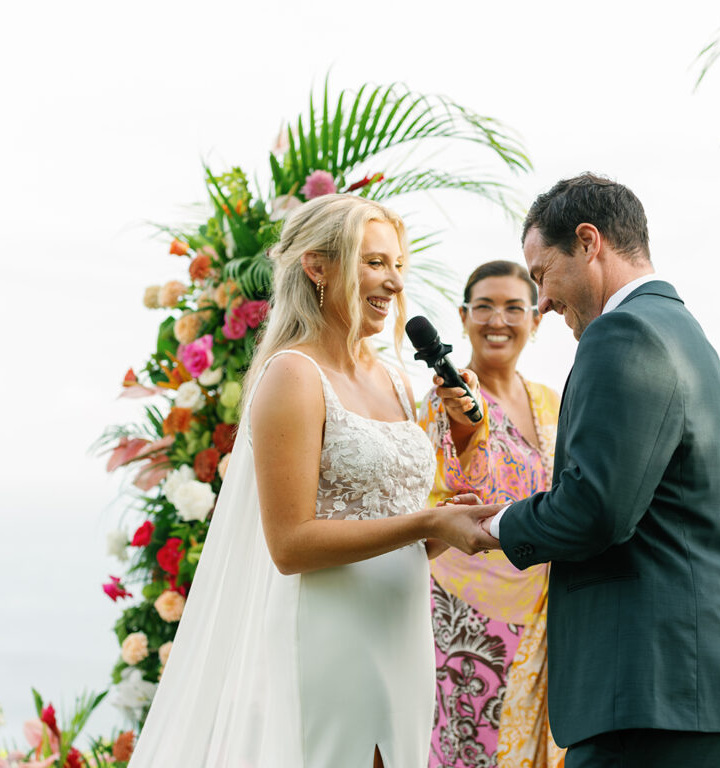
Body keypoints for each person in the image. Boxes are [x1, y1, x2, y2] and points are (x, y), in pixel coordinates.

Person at [128, 194, 492, 768]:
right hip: (329, 631)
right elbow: (290, 544)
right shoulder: (294, 376)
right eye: (374, 262)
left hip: (402, 631)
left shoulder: (396, 380)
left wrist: (444, 527)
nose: (393, 282)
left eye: (398, 264)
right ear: (317, 266)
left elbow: (393, 524)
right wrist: (428, 518)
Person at [447, 174, 720, 767]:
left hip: (648, 692)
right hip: (689, 689)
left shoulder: (620, 333)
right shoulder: (682, 330)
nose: (542, 302)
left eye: (543, 274)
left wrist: (492, 526)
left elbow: (595, 510)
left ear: (587, 241)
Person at [418, 260, 566, 768]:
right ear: (462, 317)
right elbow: (449, 474)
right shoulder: (449, 398)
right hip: (466, 615)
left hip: (549, 613)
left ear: (536, 319)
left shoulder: (554, 402)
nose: (497, 320)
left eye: (512, 307)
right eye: (483, 306)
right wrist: (463, 420)